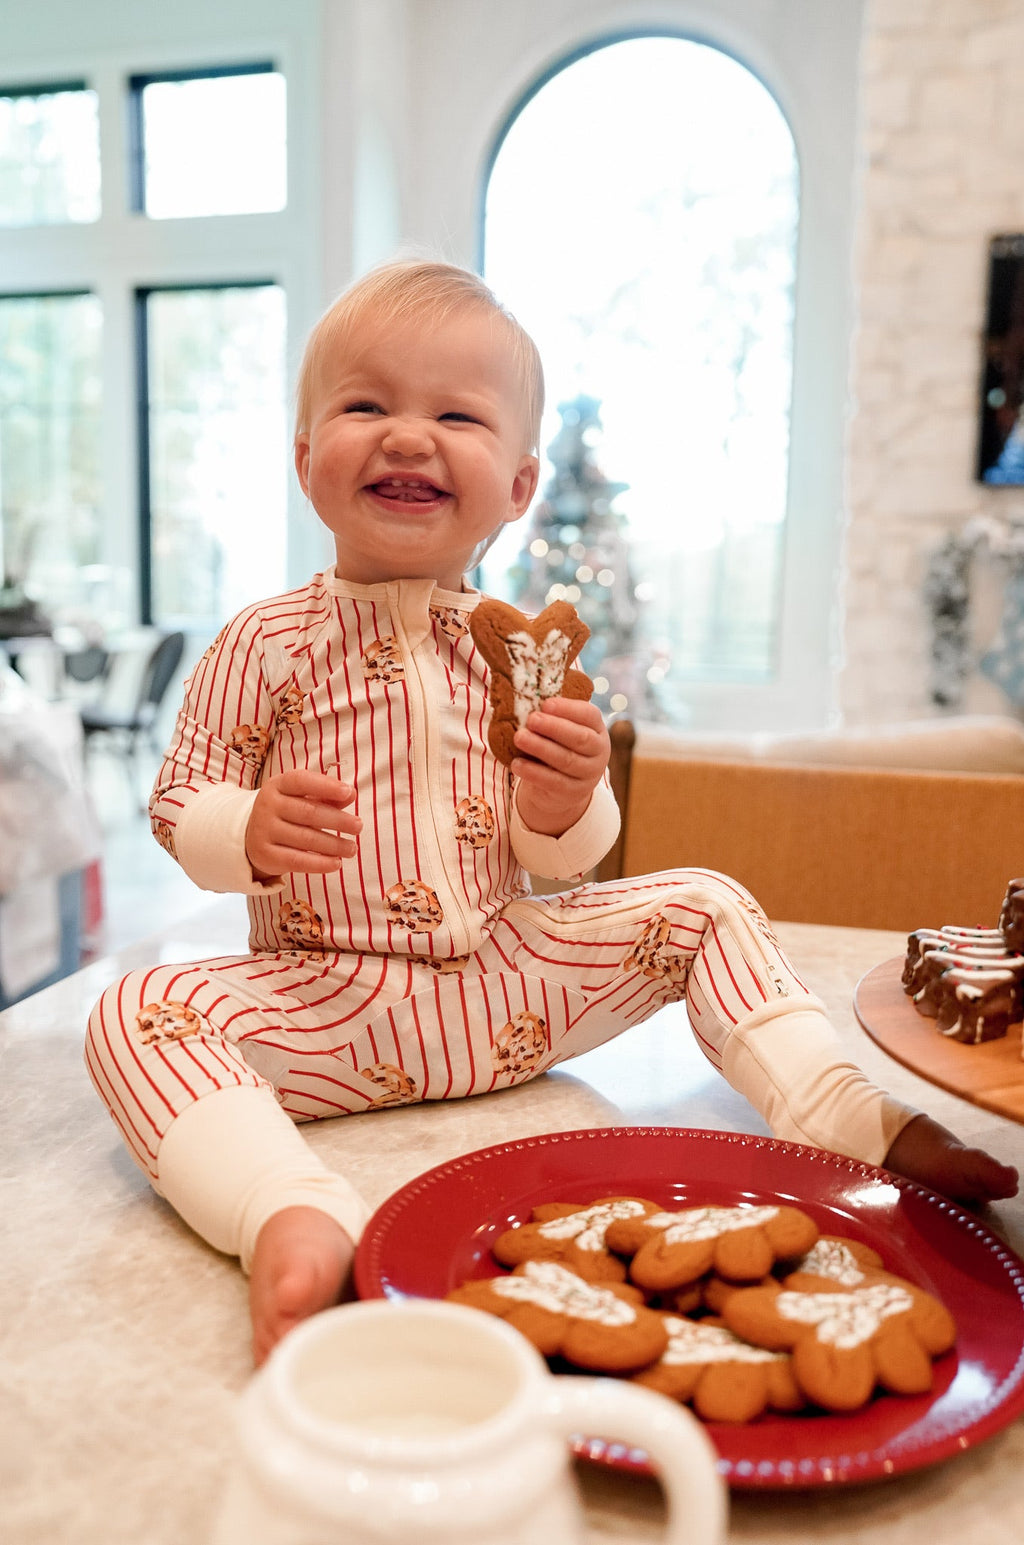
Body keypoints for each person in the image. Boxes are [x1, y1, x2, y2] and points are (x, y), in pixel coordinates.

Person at [85, 259, 1017, 1367]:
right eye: (366, 405)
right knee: (134, 1009)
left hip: (509, 990)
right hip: (328, 1006)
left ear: (520, 484)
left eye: (456, 416)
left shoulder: (522, 652)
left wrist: (567, 801)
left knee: (704, 899)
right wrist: (239, 829)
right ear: (304, 457)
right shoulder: (262, 642)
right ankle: (286, 1209)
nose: (408, 436)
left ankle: (844, 1112)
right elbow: (179, 796)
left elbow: (564, 860)